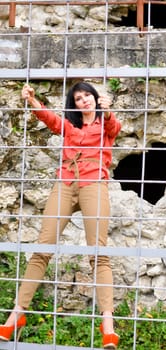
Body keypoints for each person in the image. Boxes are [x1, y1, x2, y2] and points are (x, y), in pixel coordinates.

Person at [0, 81, 121, 349]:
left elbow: (114, 127)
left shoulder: (106, 124)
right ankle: (15, 316)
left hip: (94, 184)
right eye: (78, 98)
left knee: (99, 254)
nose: (84, 101)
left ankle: (108, 326)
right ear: (74, 104)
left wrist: (108, 111)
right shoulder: (70, 125)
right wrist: (32, 100)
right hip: (65, 183)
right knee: (42, 249)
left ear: (96, 98)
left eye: (87, 95)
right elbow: (51, 119)